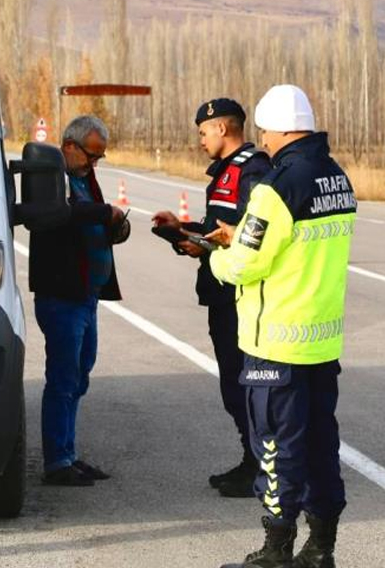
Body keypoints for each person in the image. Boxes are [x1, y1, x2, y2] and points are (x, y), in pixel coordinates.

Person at [208, 85, 355, 568]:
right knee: (319, 445)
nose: (263, 142)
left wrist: (217, 254)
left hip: (276, 344)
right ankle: (321, 547)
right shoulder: (337, 178)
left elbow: (245, 265)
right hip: (320, 341)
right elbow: (300, 249)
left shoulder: (276, 186)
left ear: (279, 129)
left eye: (266, 133)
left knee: (275, 448)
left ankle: (276, 551)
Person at [152, 98, 270, 498]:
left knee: (246, 384)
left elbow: (253, 231)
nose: (200, 139)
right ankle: (251, 459)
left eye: (203, 131)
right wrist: (182, 230)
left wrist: (205, 245)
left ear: (222, 128)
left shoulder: (252, 169)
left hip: (240, 295)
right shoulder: (226, 171)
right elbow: (218, 227)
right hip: (221, 292)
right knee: (234, 386)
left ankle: (262, 467)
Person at [28, 115, 129, 487]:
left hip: (86, 296)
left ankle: (68, 452)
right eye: (91, 155)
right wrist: (107, 213)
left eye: (99, 157)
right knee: (63, 378)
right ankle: (57, 461)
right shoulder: (50, 177)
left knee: (79, 376)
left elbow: (94, 221)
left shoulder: (85, 178)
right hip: (61, 297)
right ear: (69, 146)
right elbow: (61, 214)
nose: (94, 163)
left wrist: (117, 225)